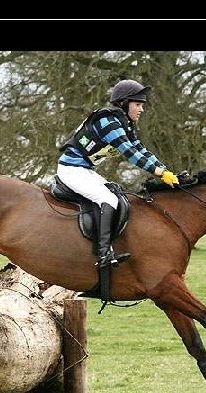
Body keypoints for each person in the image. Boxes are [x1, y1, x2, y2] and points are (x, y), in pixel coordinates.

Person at [58, 79, 179, 269]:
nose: (141, 109)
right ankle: (103, 253)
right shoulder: (108, 122)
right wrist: (158, 173)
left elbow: (141, 149)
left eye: (142, 105)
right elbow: (130, 153)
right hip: (71, 170)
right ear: (124, 103)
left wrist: (165, 170)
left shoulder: (124, 124)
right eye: (138, 104)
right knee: (109, 200)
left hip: (85, 170)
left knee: (117, 195)